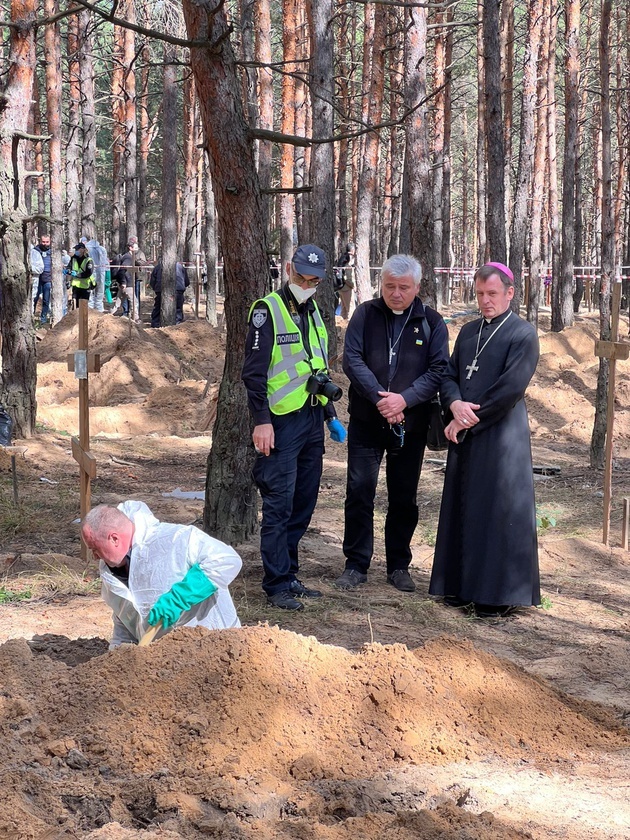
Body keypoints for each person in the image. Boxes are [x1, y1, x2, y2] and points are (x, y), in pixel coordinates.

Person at [428, 262, 541, 617]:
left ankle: (495, 595)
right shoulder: (469, 332)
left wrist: (465, 421)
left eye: (492, 294)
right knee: (464, 506)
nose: (485, 301)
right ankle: (459, 587)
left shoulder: (523, 334)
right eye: (480, 295)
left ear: (509, 293)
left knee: (495, 511)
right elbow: (449, 374)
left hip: (501, 436)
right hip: (467, 431)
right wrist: (454, 403)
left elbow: (510, 389)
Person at [335, 254, 449, 593]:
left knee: (403, 498)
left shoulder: (431, 322)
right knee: (359, 493)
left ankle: (399, 565)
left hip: (410, 425)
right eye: (389, 287)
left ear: (416, 287)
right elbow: (350, 359)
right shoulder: (365, 315)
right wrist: (379, 397)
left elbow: (439, 369)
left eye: (403, 288)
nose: (396, 294)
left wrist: (405, 399)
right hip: (367, 420)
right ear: (380, 285)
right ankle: (356, 563)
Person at [242, 243, 347, 611]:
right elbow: (253, 375)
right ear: (289, 269)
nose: (307, 283)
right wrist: (261, 423)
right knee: (279, 504)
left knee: (303, 502)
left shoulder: (315, 309)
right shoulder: (266, 311)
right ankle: (275, 584)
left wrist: (331, 415)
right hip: (279, 423)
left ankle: (289, 574)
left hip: (311, 420)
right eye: (301, 276)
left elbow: (317, 369)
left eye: (314, 280)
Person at [81, 501, 242, 649]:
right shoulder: (110, 571)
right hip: (164, 662)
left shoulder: (176, 539)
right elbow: (124, 617)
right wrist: (119, 653)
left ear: (114, 539)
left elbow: (227, 559)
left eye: (94, 549)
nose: (94, 557)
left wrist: (179, 597)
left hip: (216, 648)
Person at [112, 236, 146, 322]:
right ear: (130, 248)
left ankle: (110, 315)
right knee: (134, 302)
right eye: (135, 247)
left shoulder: (131, 257)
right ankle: (136, 319)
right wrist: (123, 282)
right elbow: (123, 270)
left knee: (118, 302)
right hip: (127, 284)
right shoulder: (127, 257)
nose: (137, 249)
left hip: (125, 283)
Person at [149, 259, 190, 327]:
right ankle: (177, 325)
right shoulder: (180, 267)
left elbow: (152, 282)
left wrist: (156, 289)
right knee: (178, 310)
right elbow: (186, 282)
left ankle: (155, 325)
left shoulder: (158, 267)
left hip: (162, 291)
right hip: (177, 291)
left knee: (158, 309)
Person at [32, 234, 53, 324]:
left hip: (48, 278)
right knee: (35, 297)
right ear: (40, 241)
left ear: (50, 241)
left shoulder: (53, 251)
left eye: (47, 242)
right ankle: (32, 316)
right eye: (43, 242)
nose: (45, 244)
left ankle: (43, 318)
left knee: (46, 299)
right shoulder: (36, 250)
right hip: (37, 278)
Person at [86, 238, 110, 313]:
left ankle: (90, 310)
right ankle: (99, 310)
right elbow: (106, 262)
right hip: (101, 272)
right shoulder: (102, 249)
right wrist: (107, 274)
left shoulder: (87, 249)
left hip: (90, 273)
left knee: (90, 293)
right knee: (99, 293)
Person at [334, 242, 356, 319]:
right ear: (352, 250)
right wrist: (352, 285)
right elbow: (347, 277)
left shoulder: (342, 258)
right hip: (347, 288)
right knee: (350, 307)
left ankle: (343, 324)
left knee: (344, 308)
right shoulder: (348, 261)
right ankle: (350, 323)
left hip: (341, 287)